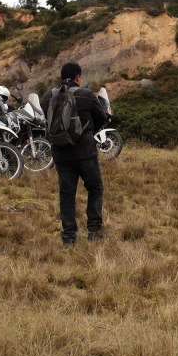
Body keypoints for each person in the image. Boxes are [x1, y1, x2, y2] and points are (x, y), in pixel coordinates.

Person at [43, 62, 108, 248]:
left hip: (61, 154)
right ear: (78, 77)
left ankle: (68, 238)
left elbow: (45, 121)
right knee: (95, 189)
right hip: (85, 152)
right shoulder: (86, 94)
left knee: (67, 195)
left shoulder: (49, 96)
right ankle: (94, 231)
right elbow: (102, 117)